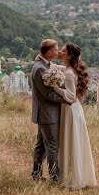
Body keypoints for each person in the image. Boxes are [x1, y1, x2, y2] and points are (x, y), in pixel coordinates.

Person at [50, 43, 98, 190]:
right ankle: (78, 174)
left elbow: (70, 97)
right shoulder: (69, 69)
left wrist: (56, 88)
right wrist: (50, 64)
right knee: (75, 141)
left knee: (71, 141)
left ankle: (73, 179)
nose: (59, 52)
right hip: (75, 109)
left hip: (70, 109)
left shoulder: (70, 74)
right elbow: (61, 69)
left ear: (69, 55)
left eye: (62, 51)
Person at [30, 39, 73, 182]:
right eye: (56, 50)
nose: (58, 51)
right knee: (52, 146)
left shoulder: (43, 64)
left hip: (46, 114)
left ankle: (36, 175)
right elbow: (47, 93)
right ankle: (55, 178)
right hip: (47, 114)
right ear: (48, 53)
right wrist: (67, 99)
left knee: (41, 145)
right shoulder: (40, 68)